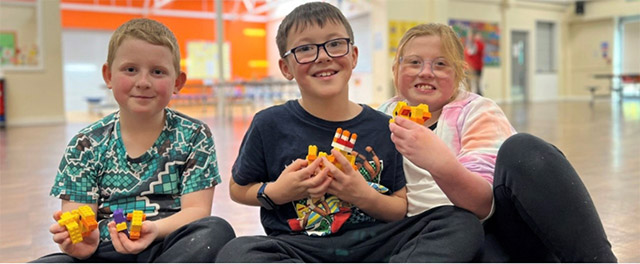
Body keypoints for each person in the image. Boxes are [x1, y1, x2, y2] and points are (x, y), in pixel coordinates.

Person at [215, 2, 483, 262]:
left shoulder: (385, 126)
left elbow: (399, 208)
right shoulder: (268, 124)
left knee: (457, 221)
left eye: (334, 44)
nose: (323, 56)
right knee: (237, 252)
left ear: (353, 56)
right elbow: (238, 189)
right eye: (305, 49)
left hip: (377, 243)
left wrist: (362, 194)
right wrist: (277, 192)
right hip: (300, 248)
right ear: (286, 68)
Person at [379, 23, 617, 262]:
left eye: (440, 64)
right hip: (421, 236)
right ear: (395, 69)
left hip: (484, 225)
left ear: (460, 73)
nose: (426, 72)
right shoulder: (380, 118)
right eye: (413, 62)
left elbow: (481, 204)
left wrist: (438, 162)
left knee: (524, 151)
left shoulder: (477, 112)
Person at [33, 18, 235, 262]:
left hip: (168, 243)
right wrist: (81, 242)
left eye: (157, 72)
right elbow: (77, 219)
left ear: (177, 82)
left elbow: (197, 210)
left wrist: (156, 230)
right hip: (106, 249)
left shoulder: (194, 135)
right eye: (130, 70)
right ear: (108, 75)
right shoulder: (85, 144)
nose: (143, 82)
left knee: (215, 230)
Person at [465, 31, 484, 96]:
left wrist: (476, 40)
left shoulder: (478, 44)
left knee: (476, 85)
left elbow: (471, 53)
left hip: (476, 67)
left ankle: (477, 98)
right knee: (469, 85)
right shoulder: (469, 45)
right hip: (469, 67)